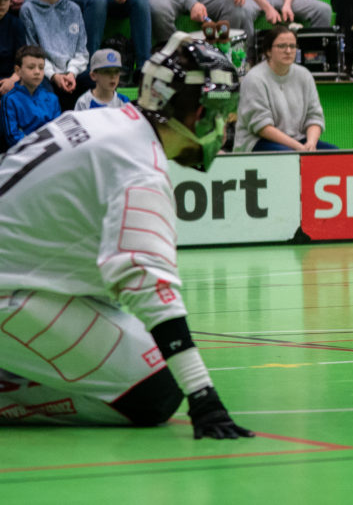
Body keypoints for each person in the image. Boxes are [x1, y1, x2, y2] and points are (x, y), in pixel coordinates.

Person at [0, 32, 253, 436]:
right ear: (192, 110)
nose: (218, 126)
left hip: (19, 279)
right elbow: (149, 283)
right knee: (156, 391)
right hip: (8, 295)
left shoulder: (97, 120)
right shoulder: (139, 166)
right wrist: (203, 396)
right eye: (215, 112)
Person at [234, 24, 336, 152]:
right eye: (282, 46)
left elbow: (314, 117)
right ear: (268, 51)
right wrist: (298, 147)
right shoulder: (254, 79)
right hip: (257, 141)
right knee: (288, 156)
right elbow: (262, 128)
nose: (288, 51)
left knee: (333, 152)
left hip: (298, 140)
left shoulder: (304, 75)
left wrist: (310, 144)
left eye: (292, 46)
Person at [18, 0, 88, 109]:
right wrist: (54, 75)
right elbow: (32, 50)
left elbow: (81, 50)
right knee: (46, 97)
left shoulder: (74, 9)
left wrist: (71, 72)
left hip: (72, 70)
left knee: (96, 82)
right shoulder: (28, 9)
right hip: (44, 71)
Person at [0, 45, 60, 148]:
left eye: (41, 68)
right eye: (31, 67)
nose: (37, 72)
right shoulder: (10, 99)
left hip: (51, 151)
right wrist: (35, 148)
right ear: (18, 70)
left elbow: (59, 130)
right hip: (24, 153)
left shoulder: (52, 98)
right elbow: (12, 136)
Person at [0, 0, 20, 91]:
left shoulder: (16, 24)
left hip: (11, 81)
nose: (2, 3)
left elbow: (23, 58)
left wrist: (12, 80)